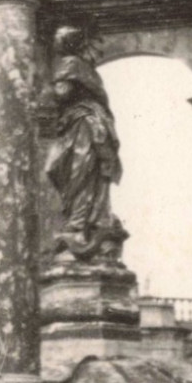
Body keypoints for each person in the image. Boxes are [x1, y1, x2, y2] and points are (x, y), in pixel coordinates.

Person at [45, 25, 127, 260]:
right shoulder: (84, 68)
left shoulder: (70, 63)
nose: (55, 43)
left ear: (69, 43)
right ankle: (79, 222)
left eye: (60, 39)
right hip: (81, 124)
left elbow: (62, 92)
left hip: (85, 125)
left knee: (81, 172)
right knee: (73, 172)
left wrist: (40, 91)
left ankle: (78, 224)